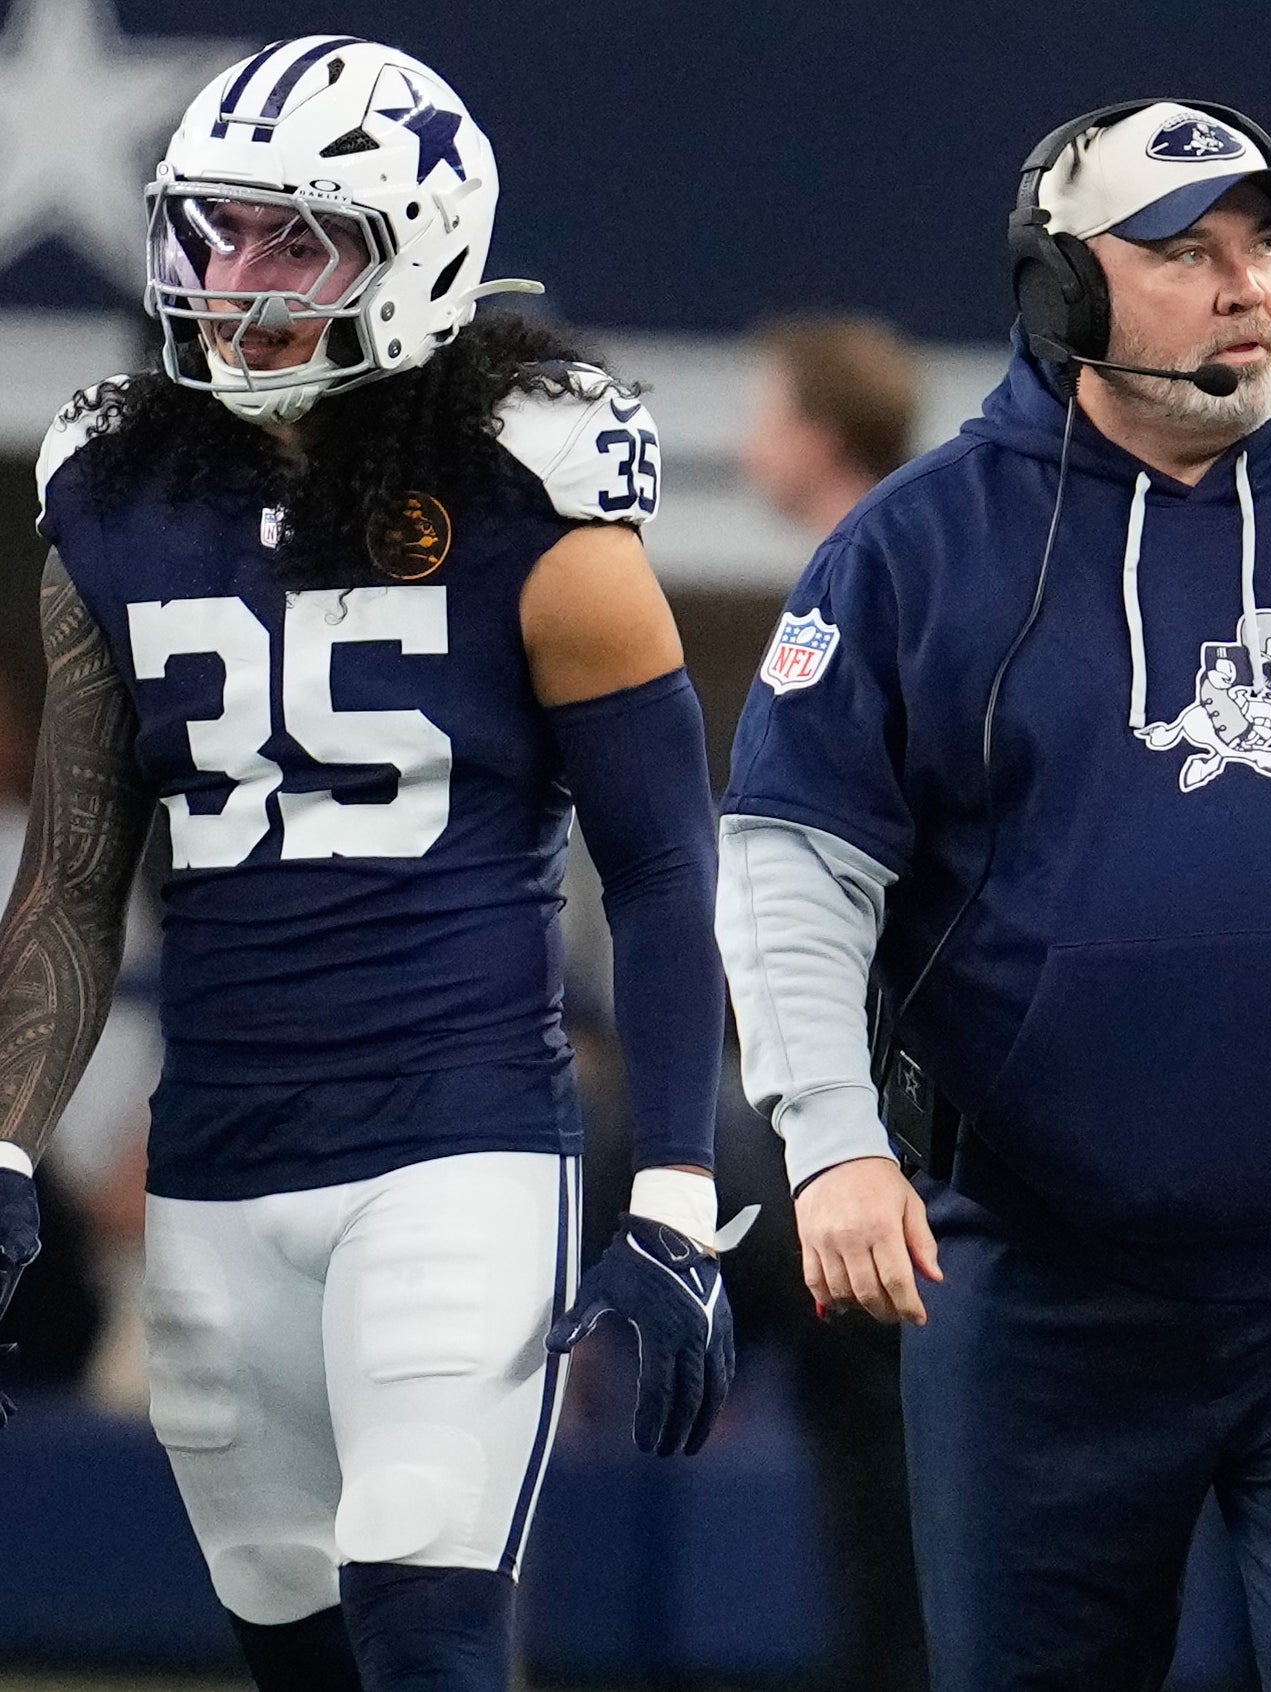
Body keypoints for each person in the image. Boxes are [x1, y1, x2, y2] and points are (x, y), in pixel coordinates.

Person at [715, 99, 1271, 1692]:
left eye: (1261, 244)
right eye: (1186, 249)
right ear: (1063, 289)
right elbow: (794, 863)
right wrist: (831, 1135)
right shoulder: (914, 551)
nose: (1245, 283)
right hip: (1045, 1286)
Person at [0, 42, 741, 1692]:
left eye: (293, 241)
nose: (235, 283)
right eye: (213, 232)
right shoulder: (117, 485)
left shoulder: (530, 493)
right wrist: (0, 1143)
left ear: (421, 252)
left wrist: (678, 1195)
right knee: (306, 1654)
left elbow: (664, 866)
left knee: (429, 1620)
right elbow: (69, 869)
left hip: (454, 1149)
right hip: (215, 1165)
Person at [730, 313, 928, 1692]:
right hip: (845, 1110)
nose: (746, 434)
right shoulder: (875, 567)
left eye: (764, 405)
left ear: (817, 426)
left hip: (893, 1118)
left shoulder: (882, 578)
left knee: (896, 1491)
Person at [742, 316, 922, 538]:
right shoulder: (907, 546)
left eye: (768, 426)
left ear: (820, 437)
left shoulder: (871, 563)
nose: (749, 453)